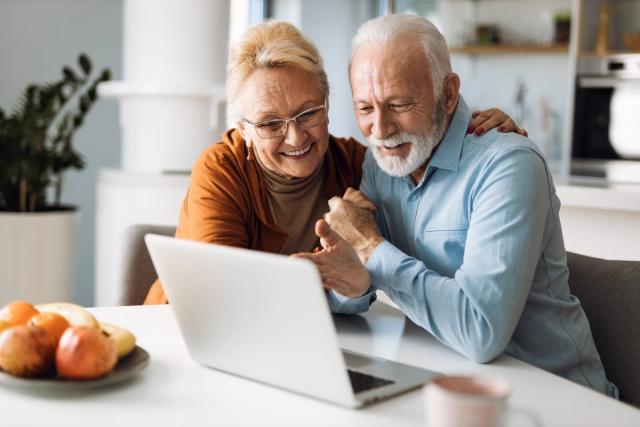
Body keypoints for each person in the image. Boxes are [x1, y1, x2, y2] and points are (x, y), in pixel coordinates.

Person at [297, 14, 618, 397]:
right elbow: (366, 282)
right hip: (447, 386)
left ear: (448, 95)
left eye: (398, 104)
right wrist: (342, 281)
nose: (379, 131)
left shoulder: (508, 165)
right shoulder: (382, 163)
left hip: (562, 400)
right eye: (365, 109)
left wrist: (372, 250)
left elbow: (480, 332)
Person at [143, 21, 523, 313]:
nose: (295, 138)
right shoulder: (221, 168)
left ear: (327, 103)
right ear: (243, 129)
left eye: (308, 113)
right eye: (271, 124)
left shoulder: (360, 165)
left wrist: (468, 124)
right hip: (182, 330)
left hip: (300, 342)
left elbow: (424, 172)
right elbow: (221, 296)